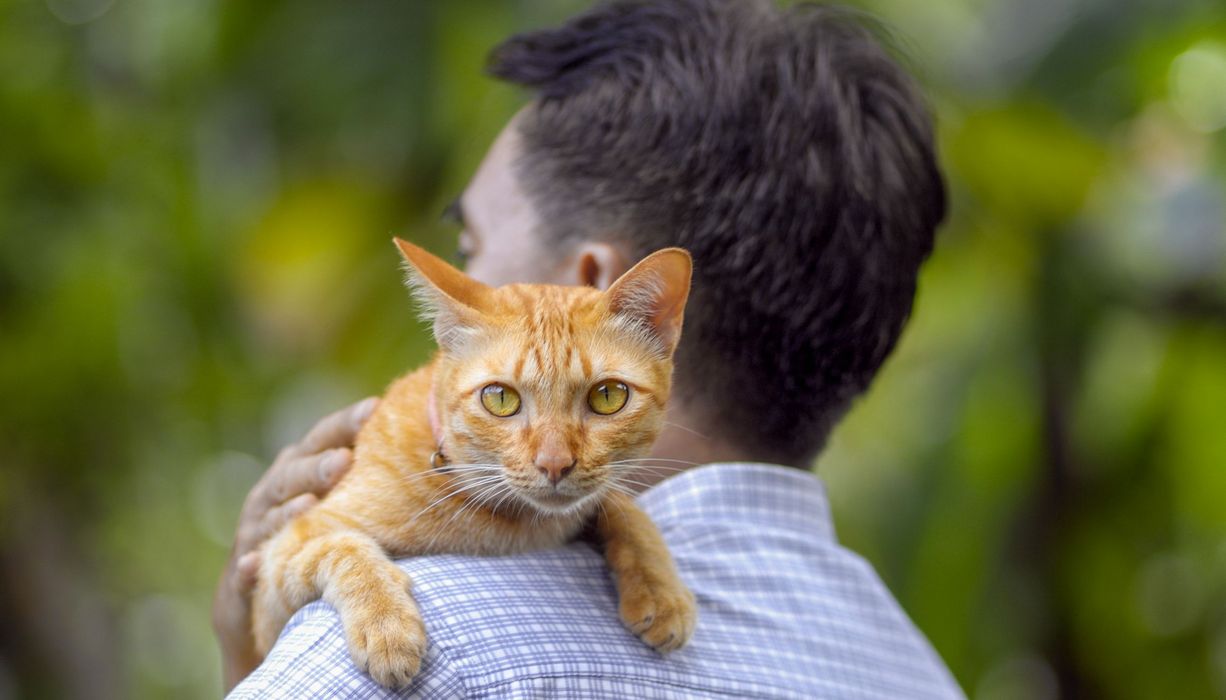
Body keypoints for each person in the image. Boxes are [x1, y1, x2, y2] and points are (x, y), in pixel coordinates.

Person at [217, 0, 960, 696]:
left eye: (471, 245)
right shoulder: (923, 675)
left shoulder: (404, 647)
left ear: (600, 294)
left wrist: (251, 650)